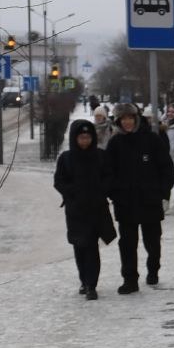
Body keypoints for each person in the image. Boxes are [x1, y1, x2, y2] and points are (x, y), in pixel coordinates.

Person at [103, 102, 173, 293]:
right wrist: (114, 192)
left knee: (152, 241)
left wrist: (163, 193)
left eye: (130, 118)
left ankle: (153, 270)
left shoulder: (152, 140)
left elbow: (166, 167)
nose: (127, 122)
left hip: (150, 200)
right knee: (127, 243)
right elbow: (107, 171)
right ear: (118, 121)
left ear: (136, 119)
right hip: (125, 203)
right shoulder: (115, 143)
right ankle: (130, 279)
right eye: (123, 119)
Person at [52, 120, 114, 300]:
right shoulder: (66, 158)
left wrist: (101, 190)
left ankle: (91, 284)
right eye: (81, 137)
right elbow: (59, 181)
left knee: (92, 247)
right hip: (76, 211)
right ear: (74, 138)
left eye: (88, 137)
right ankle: (83, 280)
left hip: (96, 209)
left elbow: (109, 176)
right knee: (80, 246)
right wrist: (72, 192)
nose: (84, 141)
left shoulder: (100, 156)